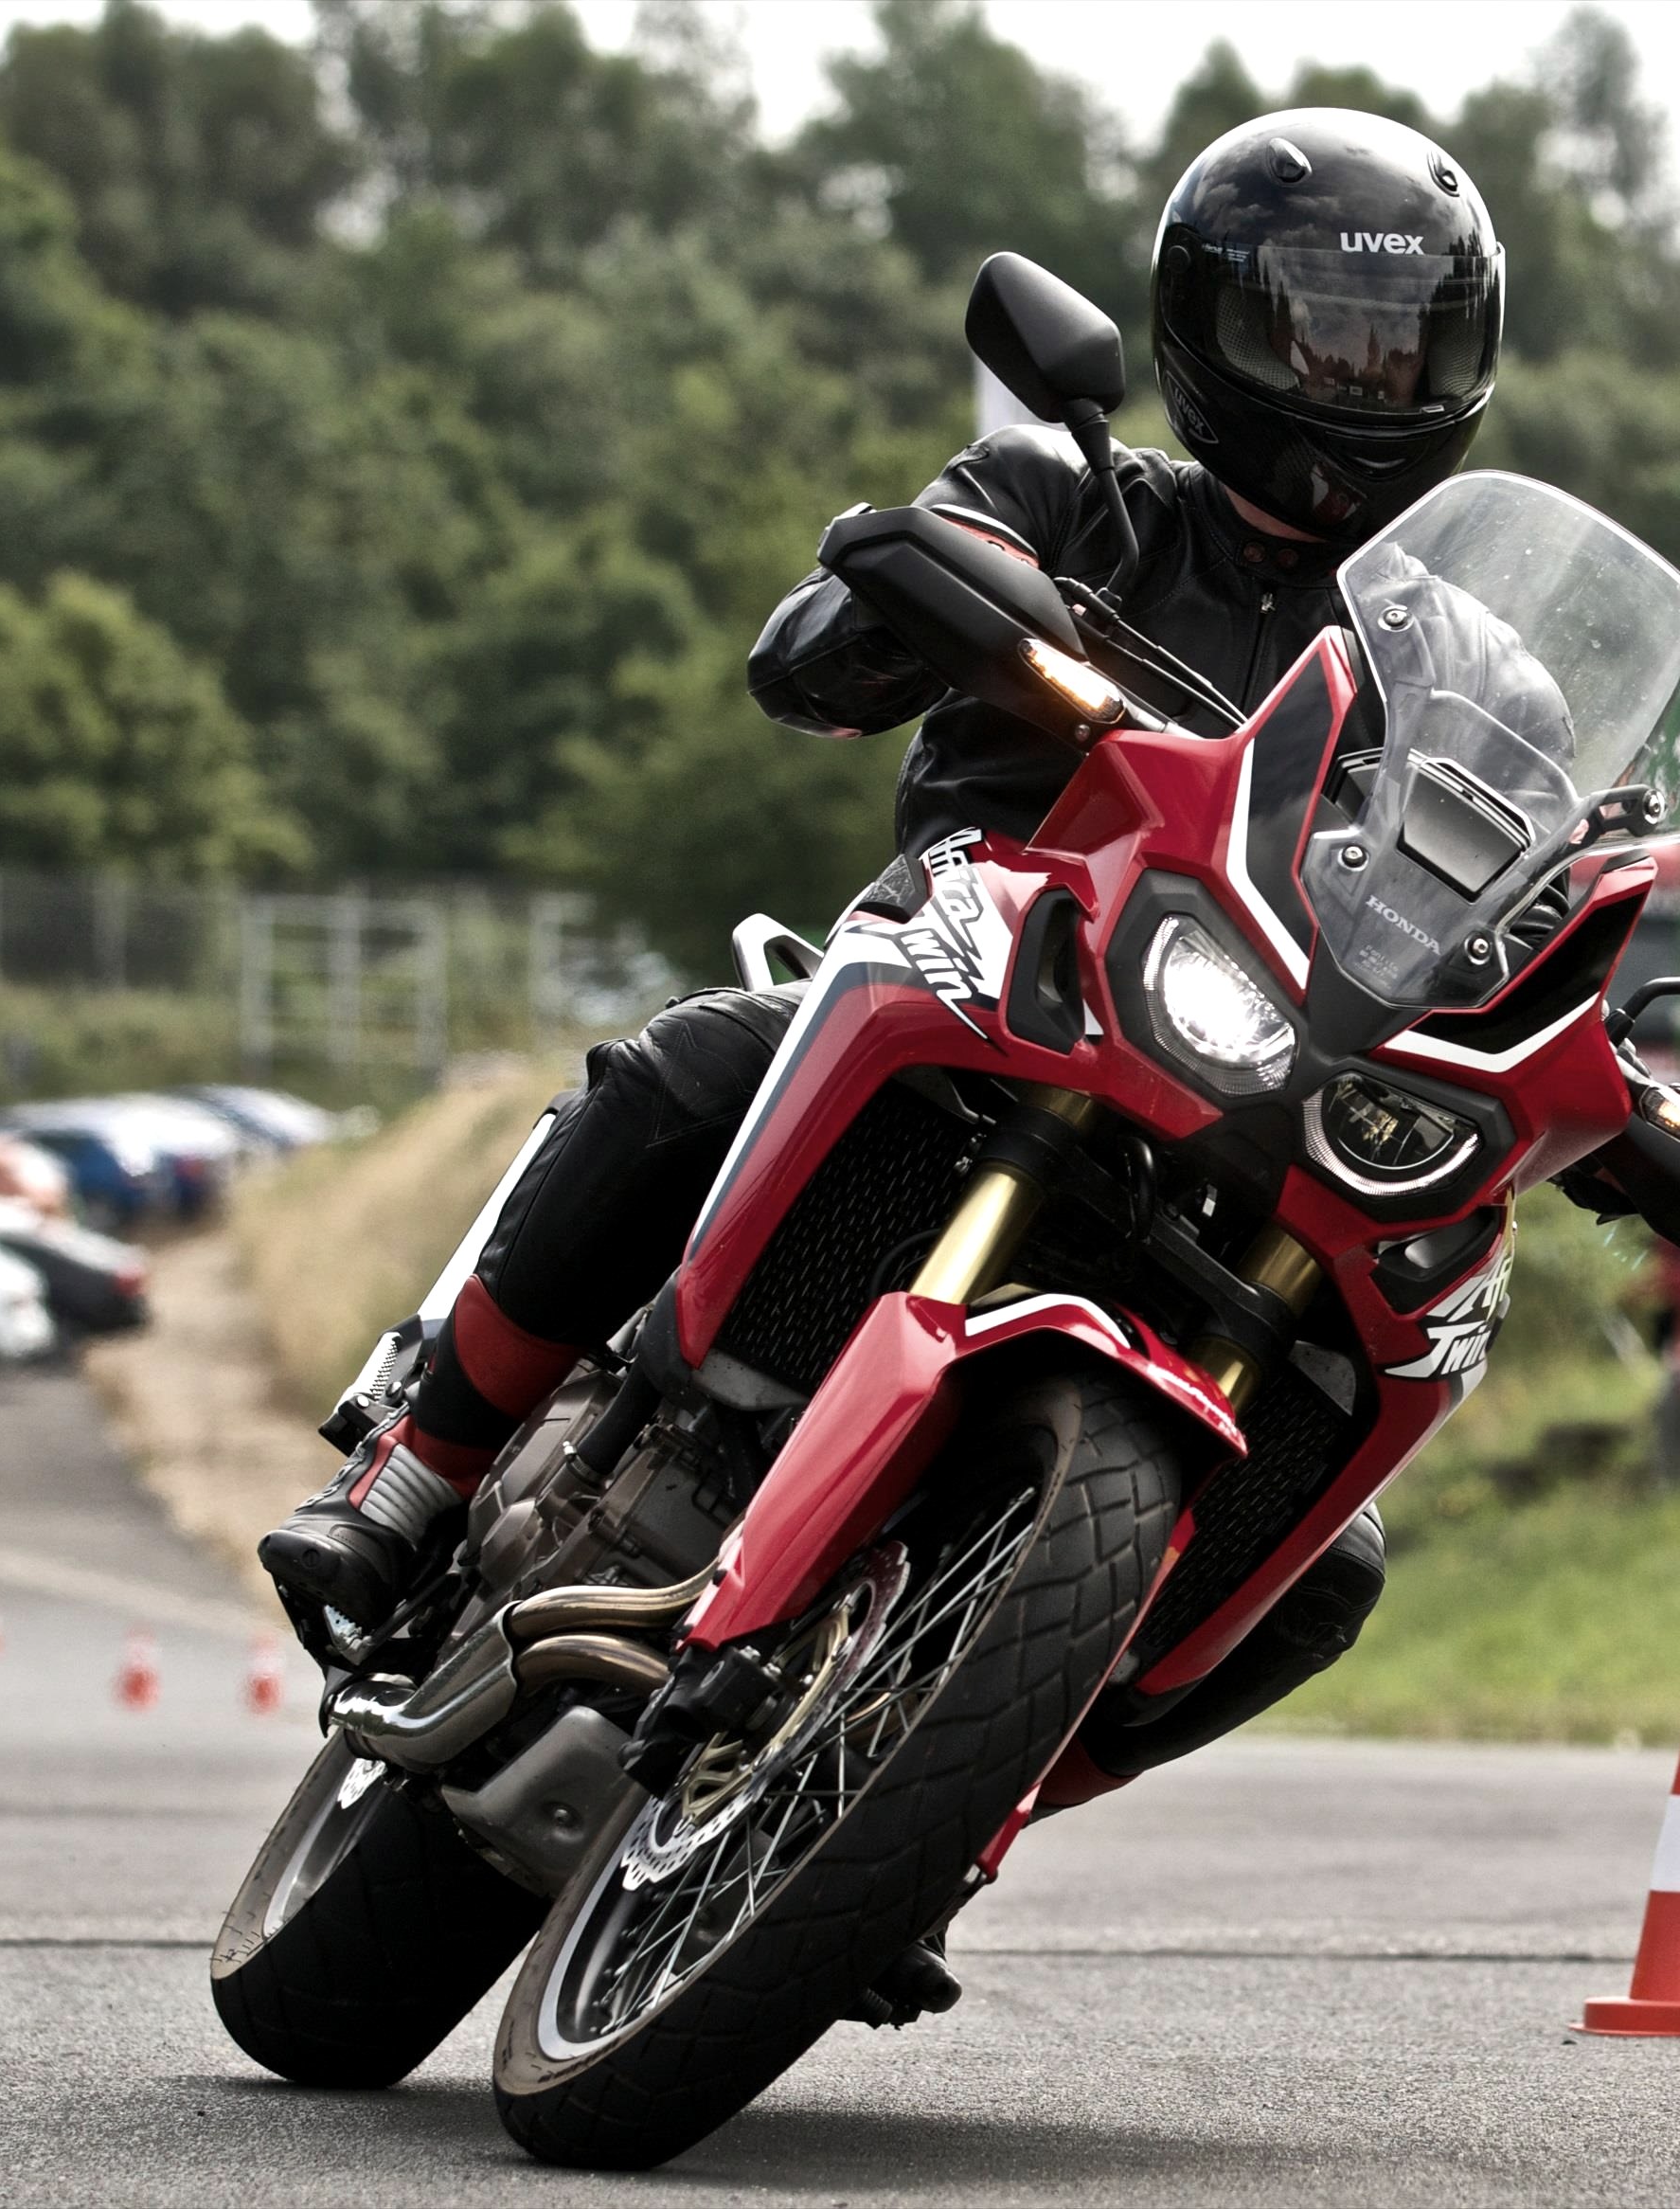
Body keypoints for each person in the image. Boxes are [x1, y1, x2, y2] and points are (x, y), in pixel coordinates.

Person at [259, 106, 1504, 1795]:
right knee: (693, 1067)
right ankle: (415, 1470)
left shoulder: (1469, 674)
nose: (1356, 377)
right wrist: (897, 606)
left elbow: (1545, 876)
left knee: (1326, 1565)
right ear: (1208, 326)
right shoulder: (1072, 496)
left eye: (1397, 344)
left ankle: (949, 1801)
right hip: (976, 970)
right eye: (1318, 331)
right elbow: (814, 659)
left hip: (1245, 1095)